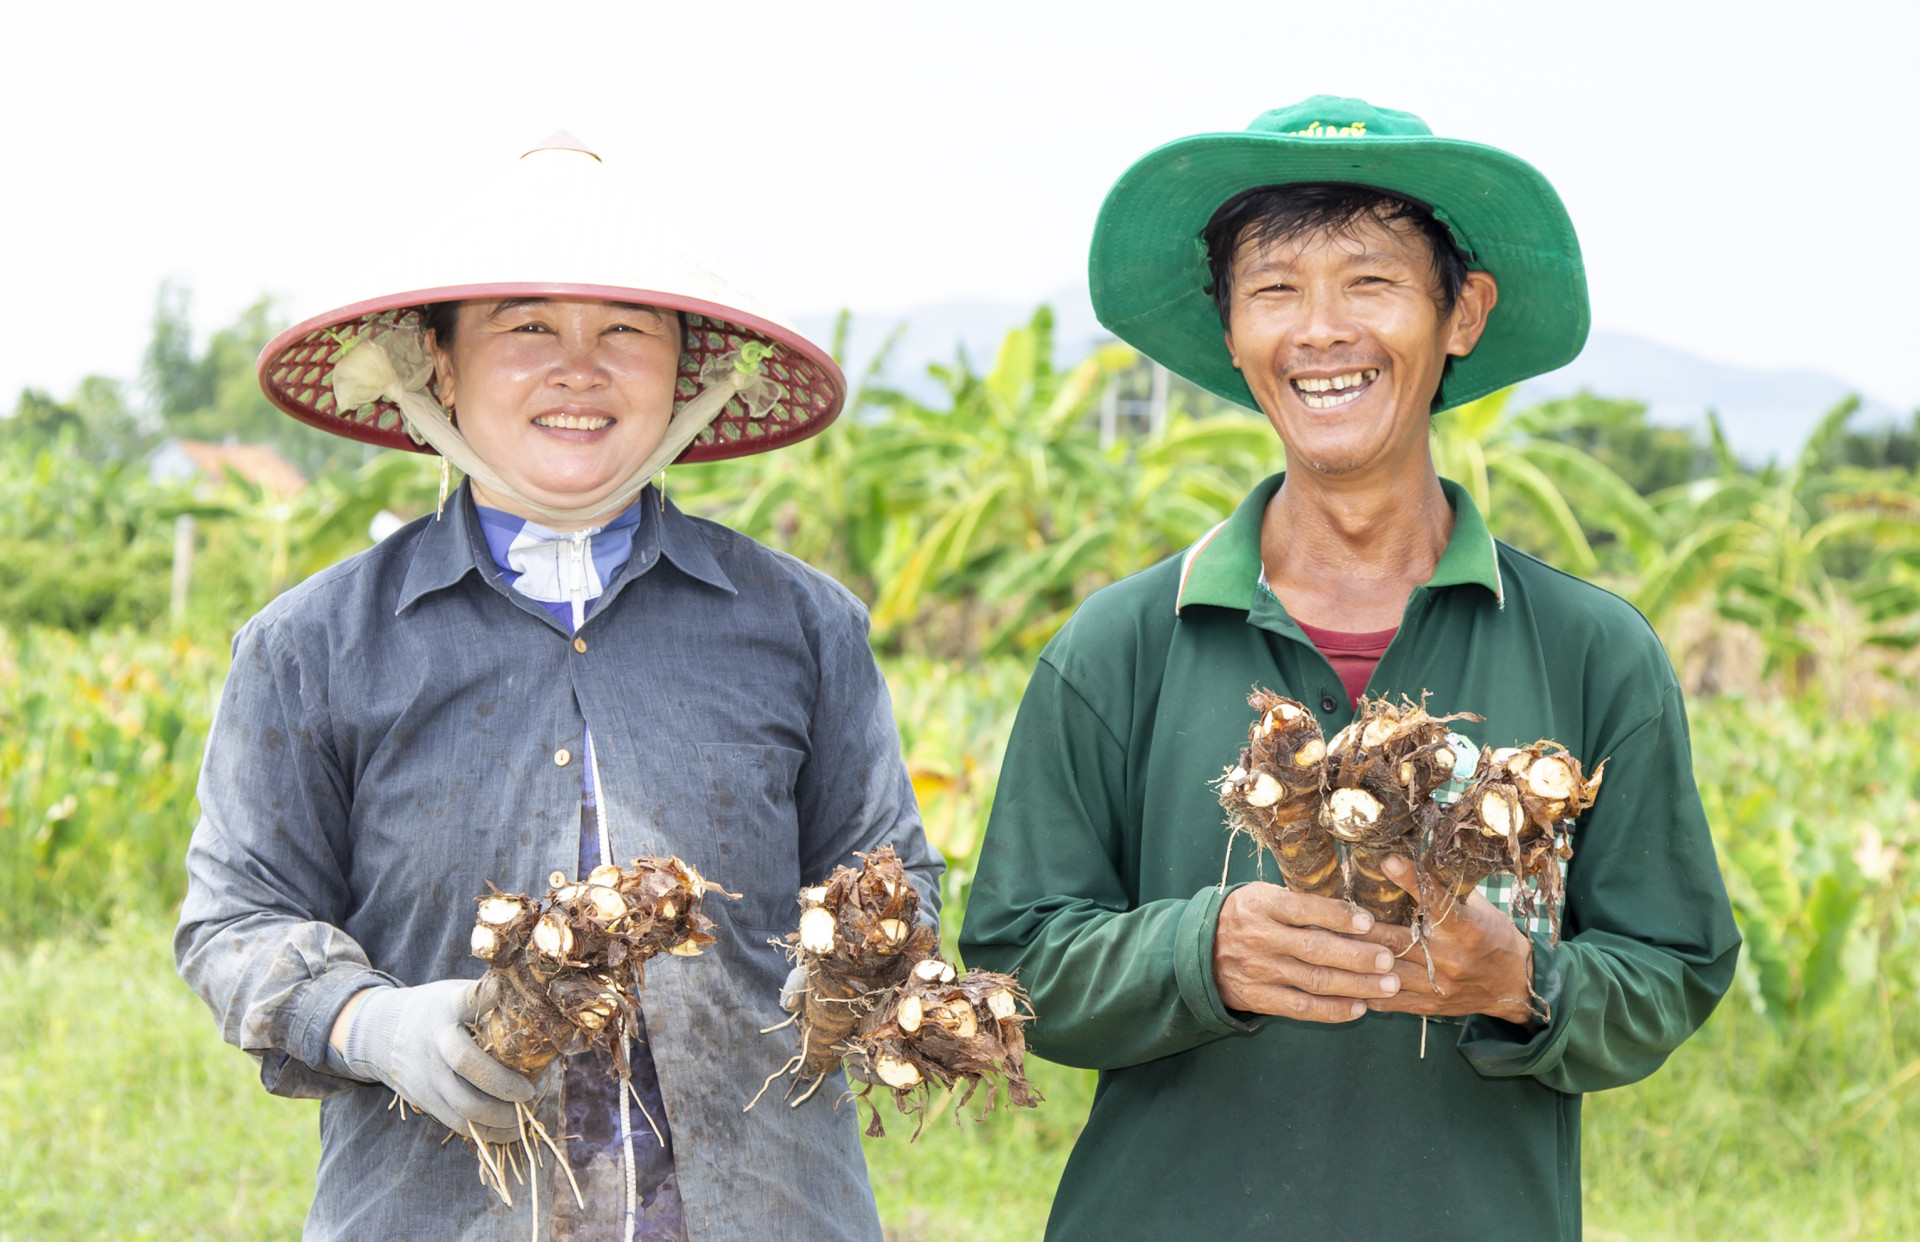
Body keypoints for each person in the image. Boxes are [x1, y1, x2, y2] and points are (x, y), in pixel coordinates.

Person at [959, 96, 1740, 1240]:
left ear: (1461, 314)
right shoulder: (1118, 645)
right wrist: (1199, 951)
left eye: (1370, 282)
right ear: (1229, 330)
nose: (1321, 330)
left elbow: (1674, 967)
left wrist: (1522, 980)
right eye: (1275, 289)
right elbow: (1018, 961)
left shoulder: (1590, 649)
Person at [174, 133, 941, 1242]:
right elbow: (234, 922)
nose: (579, 370)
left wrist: (869, 969)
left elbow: (893, 874)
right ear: (437, 362)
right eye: (527, 327)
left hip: (770, 1209)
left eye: (625, 331)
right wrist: (371, 1023)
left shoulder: (802, 625)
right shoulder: (312, 646)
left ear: (686, 372)